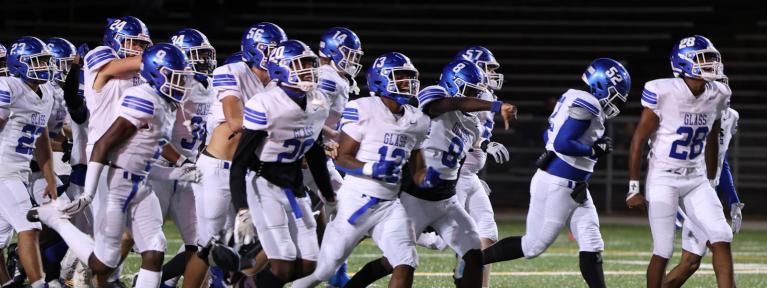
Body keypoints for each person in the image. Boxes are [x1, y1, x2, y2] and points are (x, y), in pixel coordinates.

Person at [30, 43, 195, 288]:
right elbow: (102, 145)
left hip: (140, 179)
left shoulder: (162, 101)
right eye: (175, 77)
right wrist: (88, 193)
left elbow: (150, 152)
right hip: (114, 178)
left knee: (155, 248)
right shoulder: (139, 94)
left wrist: (181, 167)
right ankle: (56, 220)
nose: (181, 84)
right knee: (102, 263)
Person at [345, 59, 517, 288]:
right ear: (453, 84)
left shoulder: (473, 125)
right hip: (415, 197)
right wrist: (494, 107)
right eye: (471, 91)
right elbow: (441, 106)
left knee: (475, 255)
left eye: (479, 92)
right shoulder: (435, 95)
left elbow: (459, 160)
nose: (479, 97)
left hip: (446, 200)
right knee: (396, 262)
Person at [483, 58, 632, 288]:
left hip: (574, 185)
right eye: (614, 93)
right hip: (559, 184)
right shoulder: (587, 103)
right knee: (533, 246)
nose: (615, 101)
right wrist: (593, 148)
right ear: (601, 84)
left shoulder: (572, 96)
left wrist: (589, 146)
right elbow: (562, 143)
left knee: (592, 242)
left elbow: (548, 139)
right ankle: (472, 261)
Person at [184, 22, 287, 288]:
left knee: (258, 237)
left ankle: (236, 283)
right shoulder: (231, 71)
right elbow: (235, 119)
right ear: (254, 50)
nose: (276, 55)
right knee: (208, 247)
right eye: (269, 49)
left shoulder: (280, 80)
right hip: (218, 168)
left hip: (252, 170)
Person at [626, 35, 735, 288]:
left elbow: (711, 139)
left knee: (721, 235)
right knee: (663, 249)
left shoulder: (718, 94)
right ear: (684, 62)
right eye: (703, 58)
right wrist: (633, 188)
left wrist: (710, 180)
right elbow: (638, 141)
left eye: (711, 58)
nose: (710, 63)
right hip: (664, 176)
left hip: (696, 178)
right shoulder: (663, 92)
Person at [229, 39, 336, 286]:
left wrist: (329, 196)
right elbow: (240, 162)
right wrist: (242, 209)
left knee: (310, 264)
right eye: (301, 65)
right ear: (280, 69)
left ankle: (243, 282)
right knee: (284, 262)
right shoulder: (265, 103)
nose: (308, 70)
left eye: (310, 64)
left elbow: (316, 153)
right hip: (264, 184)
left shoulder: (318, 100)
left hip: (295, 186)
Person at [0, 36, 59, 288]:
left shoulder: (46, 93)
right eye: (37, 61)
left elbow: (41, 139)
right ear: (18, 64)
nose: (44, 66)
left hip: (19, 171)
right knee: (30, 225)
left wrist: (49, 178)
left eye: (45, 61)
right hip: (4, 171)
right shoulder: (8, 85)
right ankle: (38, 284)